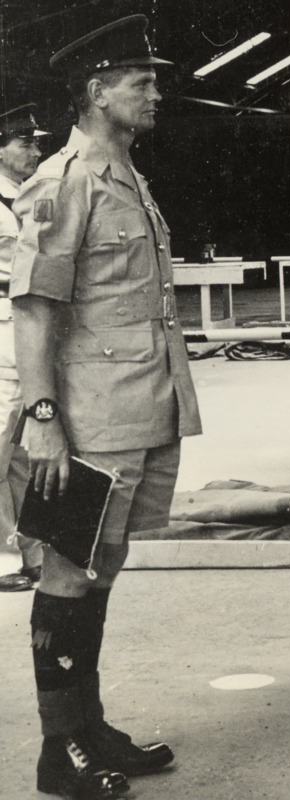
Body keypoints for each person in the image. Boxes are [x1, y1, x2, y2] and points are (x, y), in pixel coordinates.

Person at [10, 15, 202, 798]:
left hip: (139, 408)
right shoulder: (65, 183)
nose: (156, 92)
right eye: (140, 81)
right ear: (96, 91)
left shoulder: (125, 174)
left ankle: (87, 726)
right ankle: (61, 752)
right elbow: (34, 312)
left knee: (102, 565)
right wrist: (45, 421)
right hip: (87, 417)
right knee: (67, 570)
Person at [0, 103, 49, 593]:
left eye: (36, 142)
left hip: (26, 332)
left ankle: (31, 554)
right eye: (23, 142)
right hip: (0, 333)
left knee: (21, 457)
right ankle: (2, 561)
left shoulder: (29, 197)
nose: (34, 151)